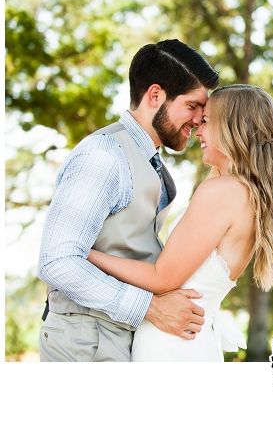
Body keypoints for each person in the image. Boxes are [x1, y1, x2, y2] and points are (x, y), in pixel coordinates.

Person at [38, 39, 220, 362]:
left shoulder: (151, 163)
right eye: (192, 106)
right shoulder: (104, 156)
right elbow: (57, 260)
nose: (199, 120)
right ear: (155, 96)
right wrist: (149, 307)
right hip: (84, 343)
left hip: (115, 339)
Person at [87, 84, 273, 361]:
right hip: (192, 340)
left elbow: (162, 279)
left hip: (172, 344)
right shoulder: (249, 196)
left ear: (232, 128)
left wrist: (85, 253)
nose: (198, 130)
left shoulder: (222, 191)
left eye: (206, 121)